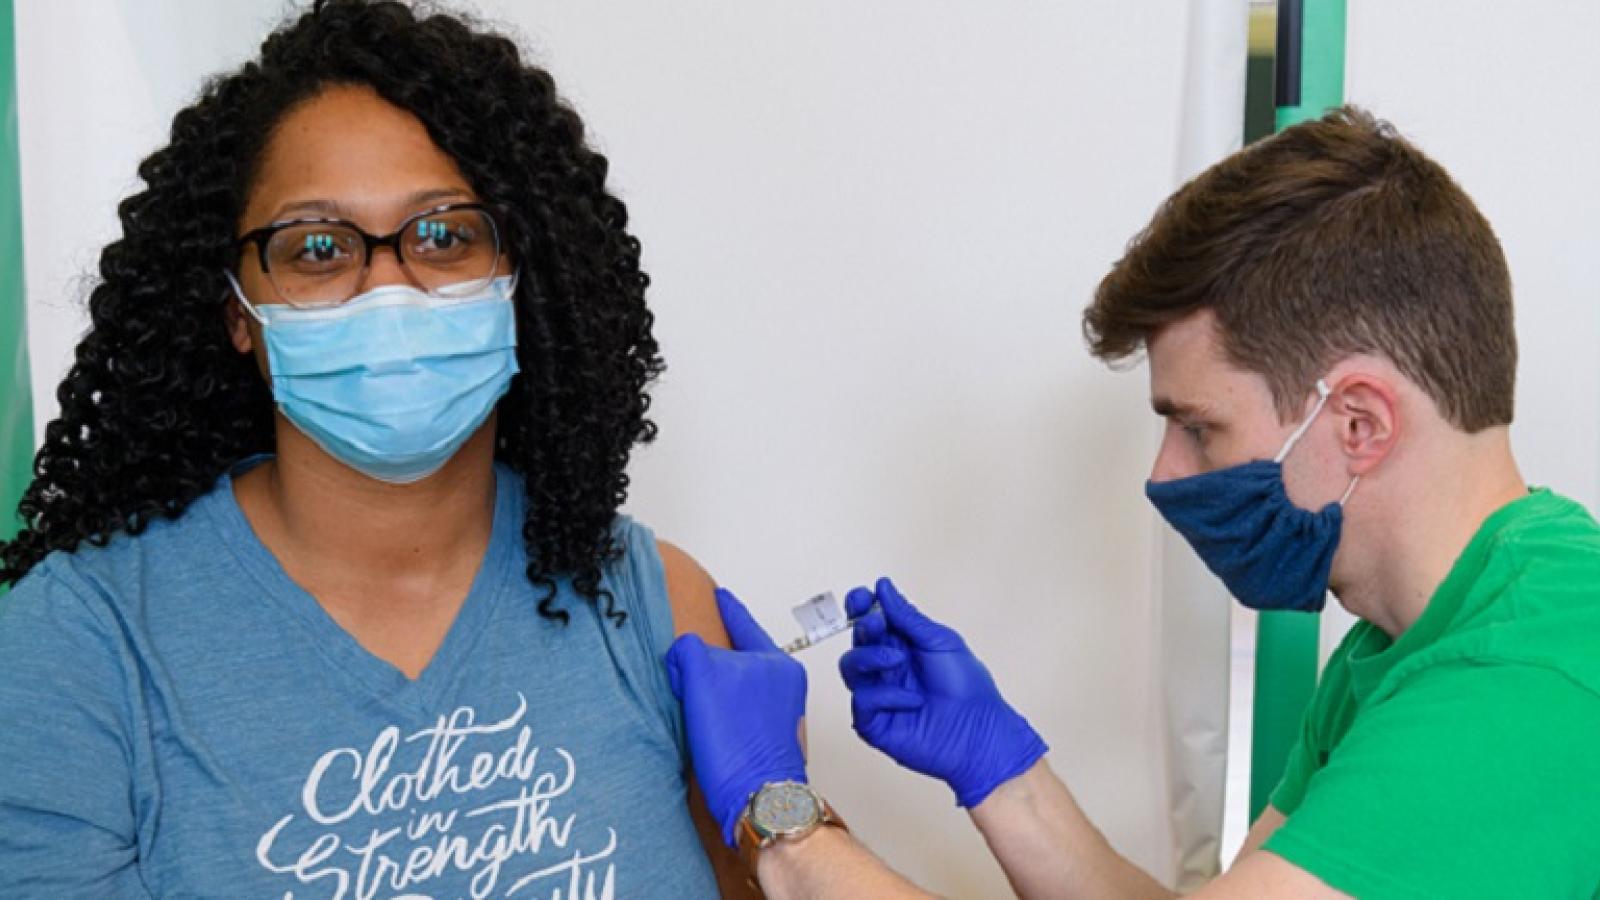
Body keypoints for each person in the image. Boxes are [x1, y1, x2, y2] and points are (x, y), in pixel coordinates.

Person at [665, 107, 1600, 898]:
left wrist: (776, 815)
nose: (1163, 475)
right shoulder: (1407, 640)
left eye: (1199, 427)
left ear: (1357, 423)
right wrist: (1001, 772)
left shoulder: (1521, 682)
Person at [0, 1, 757, 896]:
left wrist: (783, 807)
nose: (389, 288)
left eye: (444, 235)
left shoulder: (654, 601)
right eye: (318, 248)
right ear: (238, 312)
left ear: (519, 274)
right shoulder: (81, 647)